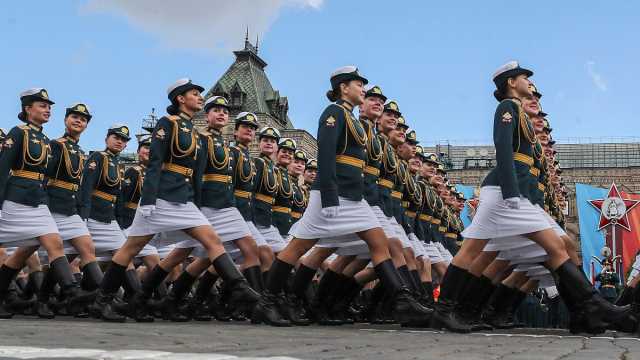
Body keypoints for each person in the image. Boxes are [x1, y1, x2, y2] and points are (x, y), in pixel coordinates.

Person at [431, 61, 631, 334]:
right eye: (525, 78)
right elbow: (503, 149)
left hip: (514, 193)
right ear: (512, 82)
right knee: (475, 252)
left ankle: (588, 308)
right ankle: (447, 311)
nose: (530, 83)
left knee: (555, 247)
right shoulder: (507, 107)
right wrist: (512, 193)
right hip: (503, 192)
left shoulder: (519, 114)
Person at [252, 66, 432, 326]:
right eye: (359, 85)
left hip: (353, 197)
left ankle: (403, 301)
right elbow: (325, 154)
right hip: (333, 195)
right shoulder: (334, 113)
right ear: (343, 87)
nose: (363, 89)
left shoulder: (352, 120)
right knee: (298, 248)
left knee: (379, 242)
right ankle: (269, 302)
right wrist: (328, 195)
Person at [92, 78, 259, 322]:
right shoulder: (167, 123)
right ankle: (103, 300)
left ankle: (241, 289)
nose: (200, 97)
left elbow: (196, 172)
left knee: (211, 240)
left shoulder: (193, 130)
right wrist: (148, 199)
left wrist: (195, 201)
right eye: (194, 93)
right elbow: (156, 162)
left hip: (183, 199)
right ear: (180, 99)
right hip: (161, 197)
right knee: (130, 249)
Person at [0, 88, 93, 318]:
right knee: (19, 254)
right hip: (16, 199)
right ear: (27, 109)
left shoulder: (44, 140)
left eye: (49, 106)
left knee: (54, 243)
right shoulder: (18, 133)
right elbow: (3, 169)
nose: (47, 109)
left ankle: (72, 292)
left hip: (38, 201)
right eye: (42, 105)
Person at [33, 103, 103, 318]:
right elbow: (43, 176)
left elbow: (81, 187)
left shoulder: (80, 152)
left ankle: (102, 296)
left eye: (83, 119)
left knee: (87, 248)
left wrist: (81, 211)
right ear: (65, 120)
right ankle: (43, 299)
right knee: (28, 254)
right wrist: (43, 204)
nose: (78, 121)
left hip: (70, 209)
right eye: (74, 117)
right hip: (52, 207)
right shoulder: (56, 145)